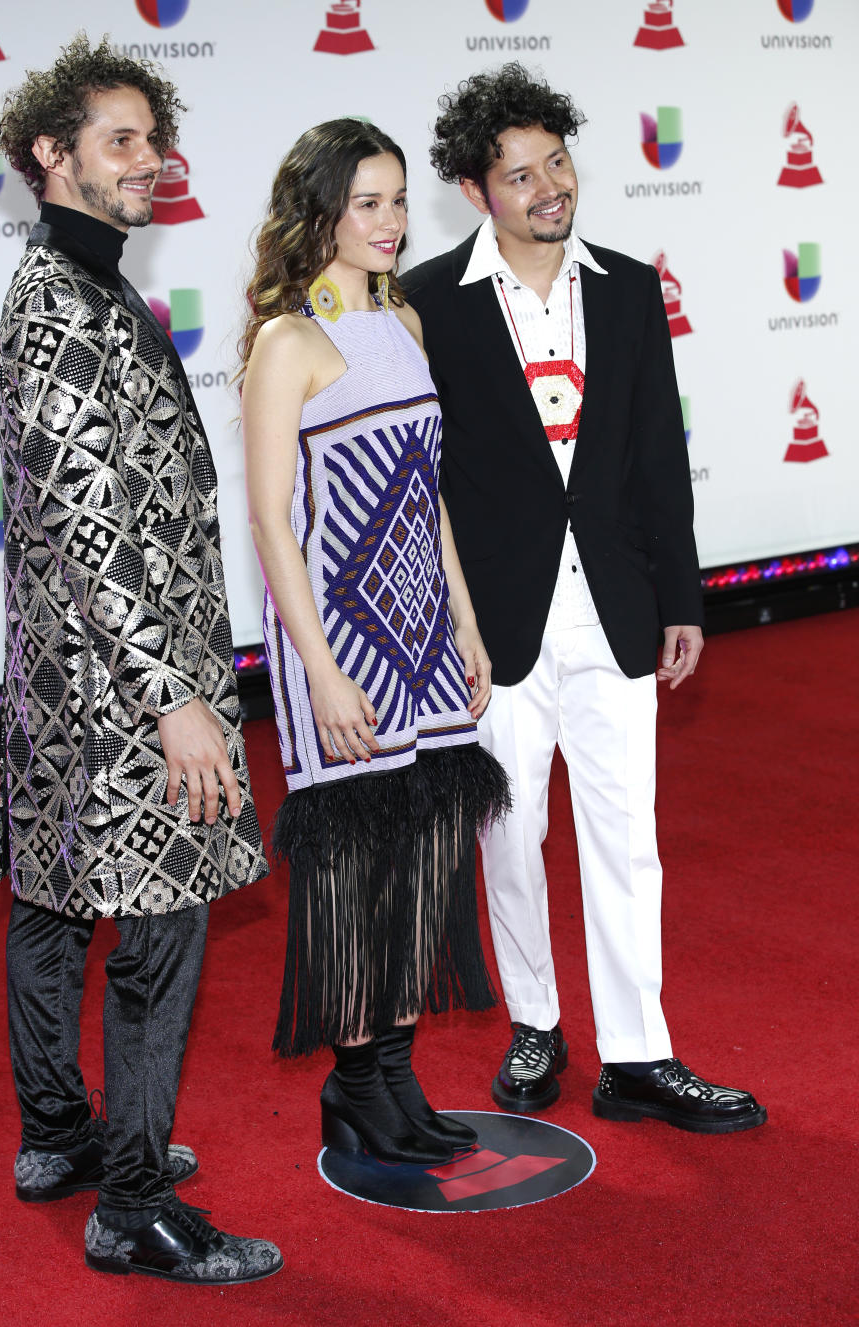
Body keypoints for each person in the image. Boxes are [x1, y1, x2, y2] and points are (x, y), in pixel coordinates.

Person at [402, 65, 766, 1134]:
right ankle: (535, 1024)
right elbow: (421, 481)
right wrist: (443, 623)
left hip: (612, 607)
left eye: (557, 161)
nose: (550, 186)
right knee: (509, 840)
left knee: (625, 835)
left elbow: (658, 454)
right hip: (495, 625)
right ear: (477, 192)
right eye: (521, 175)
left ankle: (640, 1054)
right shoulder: (430, 304)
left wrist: (682, 597)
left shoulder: (626, 284)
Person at [0, 35, 283, 1282]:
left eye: (153, 140)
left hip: (77, 681)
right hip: (122, 690)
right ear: (50, 154)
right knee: (161, 927)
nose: (148, 162)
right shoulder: (60, 301)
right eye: (120, 141)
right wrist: (175, 700)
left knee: (54, 898)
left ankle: (60, 1134)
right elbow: (91, 522)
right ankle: (136, 1206)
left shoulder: (87, 286)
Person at [239, 118, 509, 1165]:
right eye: (368, 203)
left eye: (398, 200)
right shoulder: (286, 342)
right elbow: (272, 520)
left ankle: (395, 1076)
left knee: (422, 861)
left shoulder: (403, 320)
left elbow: (426, 491)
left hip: (426, 636)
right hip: (339, 645)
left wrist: (468, 620)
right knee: (355, 872)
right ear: (320, 213)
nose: (391, 222)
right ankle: (355, 1090)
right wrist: (316, 668)